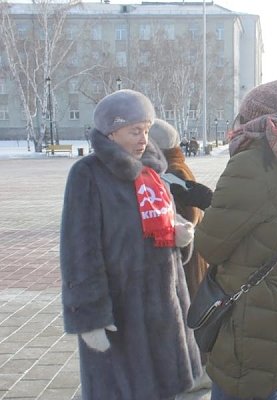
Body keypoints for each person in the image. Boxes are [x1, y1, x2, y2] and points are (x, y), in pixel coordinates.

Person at [59, 90, 202, 400]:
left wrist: (181, 239)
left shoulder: (151, 171)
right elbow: (79, 251)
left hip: (165, 311)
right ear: (112, 132)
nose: (143, 138)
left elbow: (166, 224)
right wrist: (90, 318)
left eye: (147, 130)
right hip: (122, 316)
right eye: (135, 130)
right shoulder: (88, 175)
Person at [193, 79, 277, 400]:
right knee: (264, 388)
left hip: (246, 310)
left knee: (237, 385)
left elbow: (210, 245)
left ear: (253, 116)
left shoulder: (254, 161)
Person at [149, 119, 213, 389]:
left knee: (187, 313)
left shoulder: (171, 170)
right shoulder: (172, 166)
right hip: (187, 254)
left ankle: (197, 372)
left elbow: (191, 214)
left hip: (185, 256)